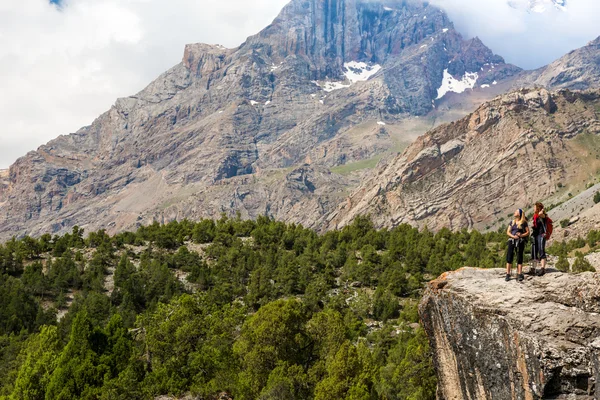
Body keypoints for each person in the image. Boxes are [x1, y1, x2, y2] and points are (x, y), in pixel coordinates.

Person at [506, 209, 529, 282]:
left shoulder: (524, 223)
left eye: (516, 211)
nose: (514, 212)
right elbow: (508, 232)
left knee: (519, 256)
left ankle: (519, 274)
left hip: (520, 241)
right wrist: (513, 236)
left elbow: (528, 232)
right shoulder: (512, 222)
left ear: (519, 214)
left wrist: (521, 235)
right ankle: (508, 274)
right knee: (509, 256)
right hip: (512, 241)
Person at [532, 202, 548, 276]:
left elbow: (542, 215)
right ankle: (534, 268)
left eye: (535, 207)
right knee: (535, 251)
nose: (533, 208)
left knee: (541, 250)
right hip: (536, 235)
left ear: (537, 208)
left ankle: (543, 268)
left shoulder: (542, 215)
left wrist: (541, 211)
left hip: (541, 235)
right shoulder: (535, 216)